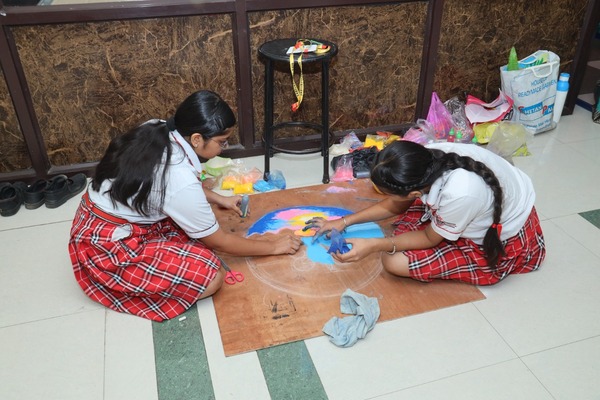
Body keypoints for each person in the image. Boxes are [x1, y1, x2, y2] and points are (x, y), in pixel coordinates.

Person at [69, 90, 302, 321]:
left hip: (96, 214)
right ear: (197, 139)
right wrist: (273, 246)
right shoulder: (179, 177)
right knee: (211, 277)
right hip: (107, 245)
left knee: (202, 223)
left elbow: (164, 184)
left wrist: (220, 199)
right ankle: (121, 279)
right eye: (222, 142)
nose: (224, 147)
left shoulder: (159, 127)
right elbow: (217, 240)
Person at [311, 140, 545, 285]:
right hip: (473, 205)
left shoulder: (460, 194)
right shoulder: (422, 159)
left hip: (503, 227)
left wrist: (373, 245)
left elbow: (428, 238)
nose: (383, 197)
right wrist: (344, 221)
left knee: (394, 261)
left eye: (387, 193)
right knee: (400, 232)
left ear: (414, 194)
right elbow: (396, 204)